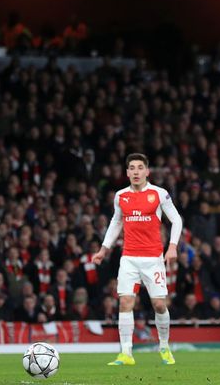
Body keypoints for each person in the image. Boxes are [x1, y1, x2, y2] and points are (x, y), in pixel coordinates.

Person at [92, 153, 183, 366]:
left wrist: (172, 247)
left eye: (140, 167)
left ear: (147, 171)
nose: (135, 171)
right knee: (125, 302)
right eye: (131, 168)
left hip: (153, 259)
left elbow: (176, 220)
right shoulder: (120, 196)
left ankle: (164, 346)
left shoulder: (159, 194)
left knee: (159, 304)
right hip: (129, 258)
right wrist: (103, 250)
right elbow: (116, 223)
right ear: (126, 172)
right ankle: (126, 353)